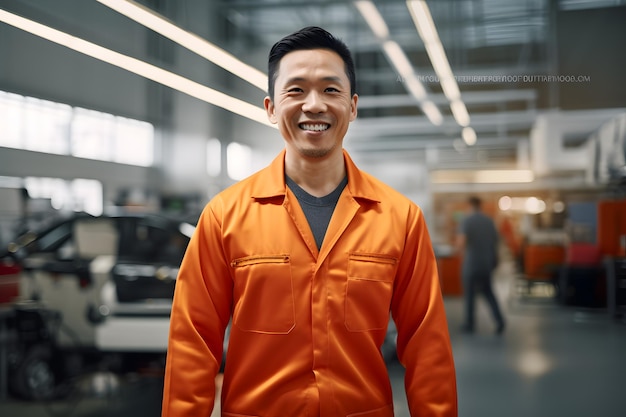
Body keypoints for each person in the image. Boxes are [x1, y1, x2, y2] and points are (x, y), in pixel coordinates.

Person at [161, 26, 457, 417]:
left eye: (330, 90)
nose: (314, 105)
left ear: (352, 106)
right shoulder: (224, 217)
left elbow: (427, 344)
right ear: (270, 108)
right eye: (296, 90)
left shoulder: (400, 218)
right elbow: (192, 343)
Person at [456, 196, 505, 334]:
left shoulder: (467, 221)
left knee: (470, 294)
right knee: (488, 292)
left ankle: (470, 324)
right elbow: (496, 242)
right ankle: (499, 320)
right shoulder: (489, 221)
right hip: (486, 263)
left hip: (471, 263)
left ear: (470, 205)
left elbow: (461, 242)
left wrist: (458, 249)